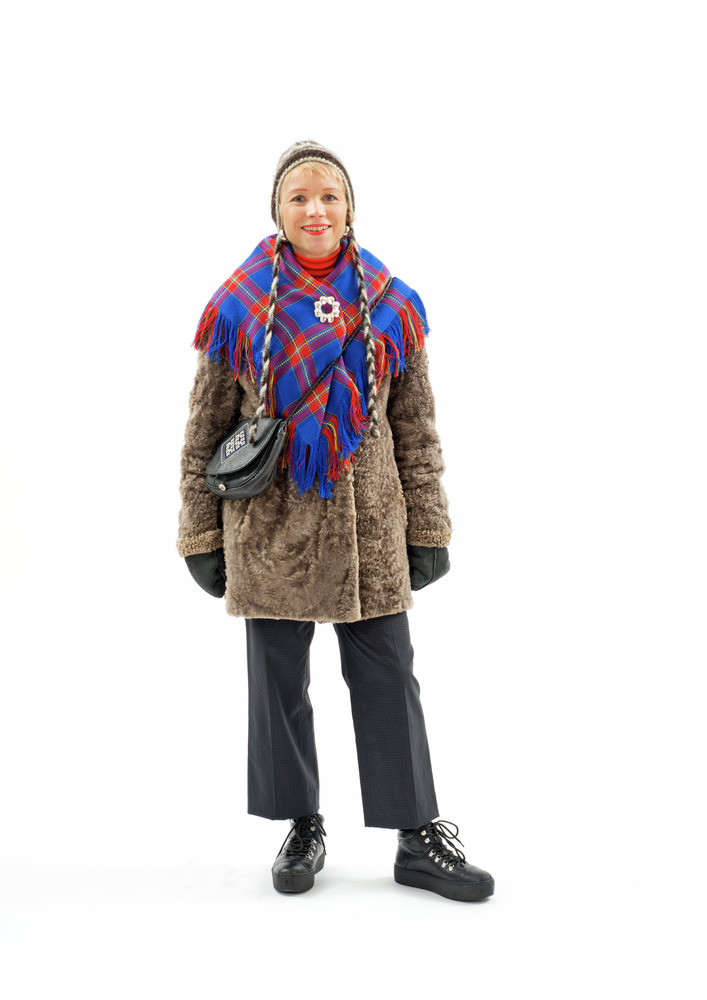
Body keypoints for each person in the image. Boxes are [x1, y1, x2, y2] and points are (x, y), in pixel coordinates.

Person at [177, 141, 494, 902]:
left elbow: (414, 426)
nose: (314, 210)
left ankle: (416, 836)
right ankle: (301, 824)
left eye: (328, 197)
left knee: (388, 679)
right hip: (268, 528)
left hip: (369, 527)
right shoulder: (237, 307)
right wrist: (199, 532)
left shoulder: (391, 304)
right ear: (278, 213)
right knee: (277, 685)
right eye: (299, 198)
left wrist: (429, 526)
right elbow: (204, 429)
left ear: (349, 209)